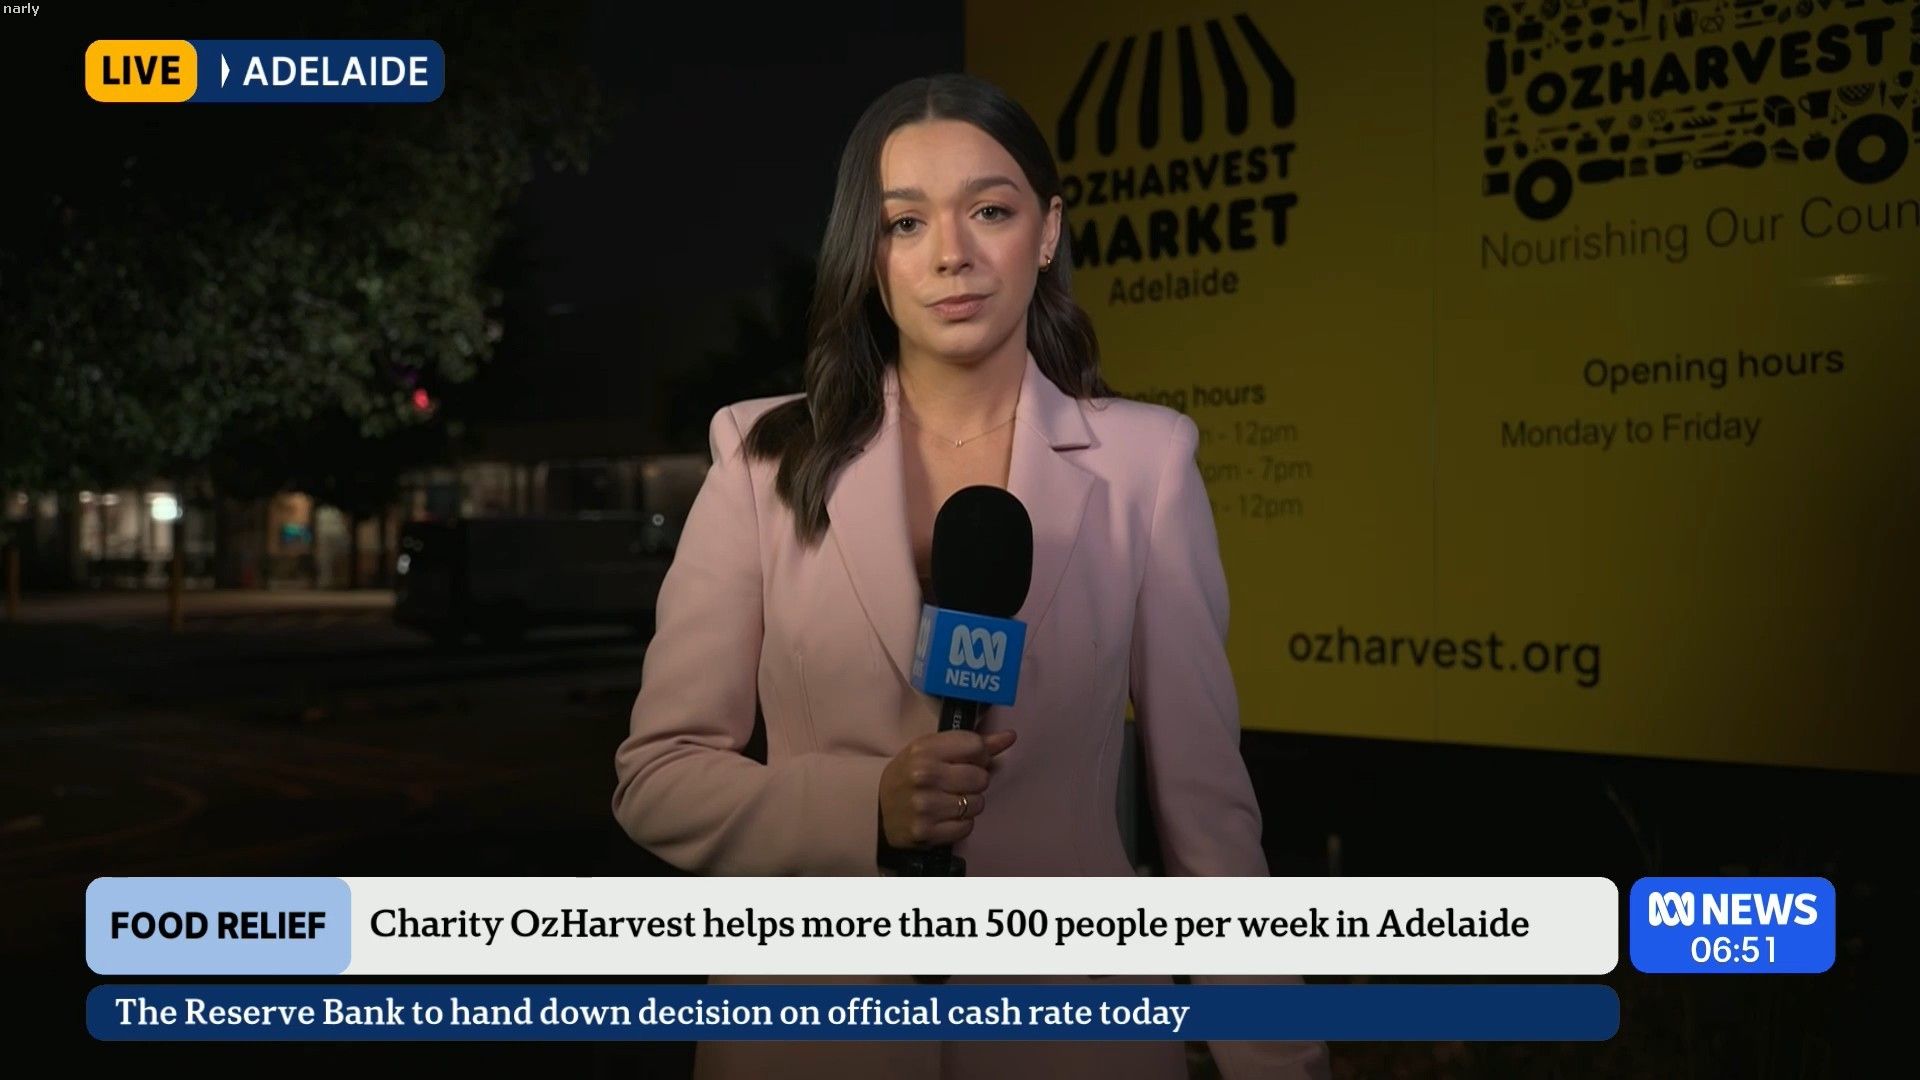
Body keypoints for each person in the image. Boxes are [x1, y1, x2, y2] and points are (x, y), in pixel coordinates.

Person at [612, 72, 1328, 1080]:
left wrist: (1277, 1063)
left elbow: (1210, 820)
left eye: (990, 210)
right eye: (906, 223)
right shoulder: (761, 457)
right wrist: (863, 807)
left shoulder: (1148, 464)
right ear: (868, 253)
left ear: (1047, 231)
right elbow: (658, 777)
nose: (951, 252)